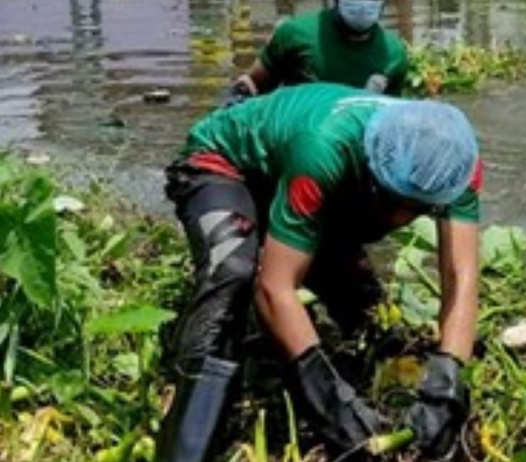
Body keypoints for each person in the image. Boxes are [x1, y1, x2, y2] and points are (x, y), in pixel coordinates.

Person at [156, 83, 483, 462]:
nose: (398, 220)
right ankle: (186, 441)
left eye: (417, 209)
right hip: (226, 166)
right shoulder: (324, 148)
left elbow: (460, 276)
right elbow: (274, 289)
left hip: (319, 182)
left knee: (366, 310)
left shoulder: (453, 164)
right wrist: (331, 407)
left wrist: (447, 380)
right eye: (396, 203)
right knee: (233, 272)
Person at [224, 0, 409, 106]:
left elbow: (388, 116)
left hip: (356, 155)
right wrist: (237, 100)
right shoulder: (295, 33)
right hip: (296, 146)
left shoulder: (393, 54)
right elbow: (254, 83)